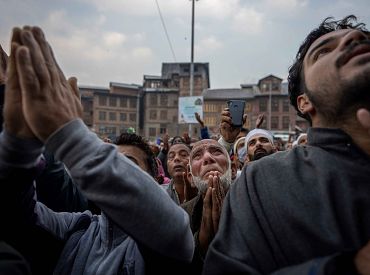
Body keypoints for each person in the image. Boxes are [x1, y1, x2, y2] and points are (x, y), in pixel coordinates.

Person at [0, 26, 194, 275]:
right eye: (110, 159)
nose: (112, 172)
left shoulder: (158, 240)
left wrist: (68, 133)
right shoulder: (78, 226)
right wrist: (20, 145)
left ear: (157, 178)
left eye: (128, 166)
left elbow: (173, 231)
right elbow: (17, 214)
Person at [203, 15, 370, 274]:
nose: (353, 39)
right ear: (304, 102)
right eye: (324, 51)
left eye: (363, 41)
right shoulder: (263, 180)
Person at [182, 139, 236, 273]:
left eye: (216, 151)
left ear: (233, 169)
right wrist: (200, 246)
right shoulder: (181, 216)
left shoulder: (255, 204)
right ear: (190, 178)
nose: (207, 158)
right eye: (197, 156)